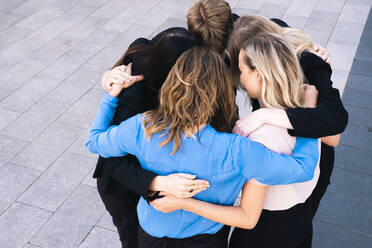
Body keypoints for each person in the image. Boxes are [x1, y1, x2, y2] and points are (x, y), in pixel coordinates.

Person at [86, 46, 319, 248]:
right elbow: (304, 168)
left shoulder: (142, 127)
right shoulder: (237, 149)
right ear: (220, 94)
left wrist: (111, 96)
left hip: (152, 235)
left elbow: (94, 141)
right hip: (206, 241)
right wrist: (306, 118)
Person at [150, 32, 334, 248]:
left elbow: (247, 217)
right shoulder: (308, 111)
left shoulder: (258, 137)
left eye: (242, 70)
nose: (240, 78)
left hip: (266, 233)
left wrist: (184, 203)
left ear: (260, 74)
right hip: (302, 218)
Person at [93, 27, 208, 248]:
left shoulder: (145, 46)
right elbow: (113, 159)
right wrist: (157, 183)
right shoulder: (135, 94)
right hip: (123, 187)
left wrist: (106, 76)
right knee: (133, 241)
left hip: (147, 173)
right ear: (171, 67)